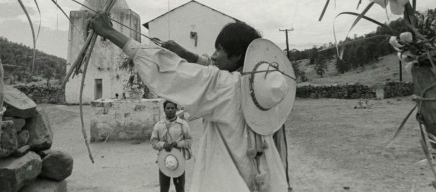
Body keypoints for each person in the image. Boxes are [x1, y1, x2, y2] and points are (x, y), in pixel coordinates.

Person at [90, 15, 291, 192]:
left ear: (238, 55)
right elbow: (211, 70)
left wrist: (109, 32)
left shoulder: (226, 87)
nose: (213, 56)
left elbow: (170, 70)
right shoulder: (265, 92)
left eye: (219, 50)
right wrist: (186, 53)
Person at [151, 100, 192, 192]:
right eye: (168, 108)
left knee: (180, 187)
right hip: (164, 160)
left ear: (176, 109)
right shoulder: (158, 125)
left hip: (179, 159)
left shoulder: (183, 124)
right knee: (164, 188)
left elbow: (189, 140)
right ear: (164, 110)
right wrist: (163, 145)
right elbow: (153, 142)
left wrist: (178, 144)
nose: (170, 110)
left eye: (172, 108)